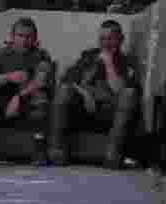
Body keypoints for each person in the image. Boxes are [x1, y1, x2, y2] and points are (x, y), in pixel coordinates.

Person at [48, 20, 140, 168]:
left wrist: (108, 63)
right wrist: (85, 94)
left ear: (121, 39)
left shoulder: (125, 62)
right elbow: (67, 80)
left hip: (109, 112)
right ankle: (56, 151)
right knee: (64, 90)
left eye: (110, 38)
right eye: (102, 39)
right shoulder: (89, 56)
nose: (106, 43)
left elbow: (119, 90)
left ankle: (112, 156)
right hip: (83, 108)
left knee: (129, 93)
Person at [0, 17, 55, 165]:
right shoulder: (1, 54)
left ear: (35, 38)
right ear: (12, 37)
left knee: (40, 99)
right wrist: (8, 77)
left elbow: (40, 81)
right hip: (2, 100)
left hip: (27, 101)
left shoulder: (41, 55)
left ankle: (39, 152)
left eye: (29, 36)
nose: (24, 40)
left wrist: (19, 97)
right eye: (20, 36)